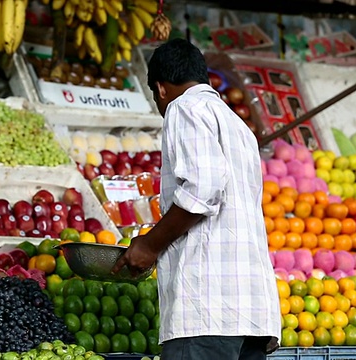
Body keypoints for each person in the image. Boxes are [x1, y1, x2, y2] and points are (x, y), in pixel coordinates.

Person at [112, 38, 281, 359]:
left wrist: (150, 244)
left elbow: (203, 189)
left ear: (161, 89)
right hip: (253, 313)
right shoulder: (238, 125)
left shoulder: (184, 108)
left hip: (208, 311)